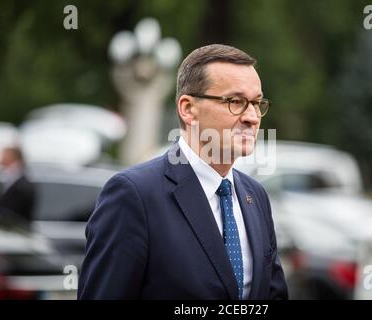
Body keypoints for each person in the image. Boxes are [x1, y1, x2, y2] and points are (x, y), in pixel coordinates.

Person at [78, 44, 288, 300]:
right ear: (188, 109)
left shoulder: (256, 196)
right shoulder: (133, 195)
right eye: (236, 102)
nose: (252, 117)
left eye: (256, 103)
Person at [0, 146, 35, 221]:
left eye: (4, 155)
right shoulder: (8, 178)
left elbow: (12, 212)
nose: (1, 159)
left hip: (16, 227)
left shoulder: (22, 185)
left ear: (12, 157)